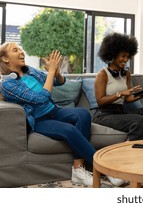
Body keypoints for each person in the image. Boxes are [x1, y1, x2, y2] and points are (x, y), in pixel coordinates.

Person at [0, 42, 95, 186]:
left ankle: (78, 169)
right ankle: (107, 168)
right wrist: (50, 72)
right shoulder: (7, 85)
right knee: (69, 130)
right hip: (38, 121)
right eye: (15, 50)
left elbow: (59, 82)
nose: (21, 52)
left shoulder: (30, 71)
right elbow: (40, 99)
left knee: (83, 114)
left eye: (20, 48)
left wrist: (56, 73)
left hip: (54, 111)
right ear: (5, 59)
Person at [93, 32, 143, 141]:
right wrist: (119, 94)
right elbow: (100, 101)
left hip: (120, 112)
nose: (126, 60)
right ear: (113, 55)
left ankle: (134, 134)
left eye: (128, 57)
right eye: (123, 56)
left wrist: (141, 96)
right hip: (104, 115)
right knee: (139, 120)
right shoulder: (102, 74)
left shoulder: (126, 74)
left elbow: (127, 99)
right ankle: (128, 148)